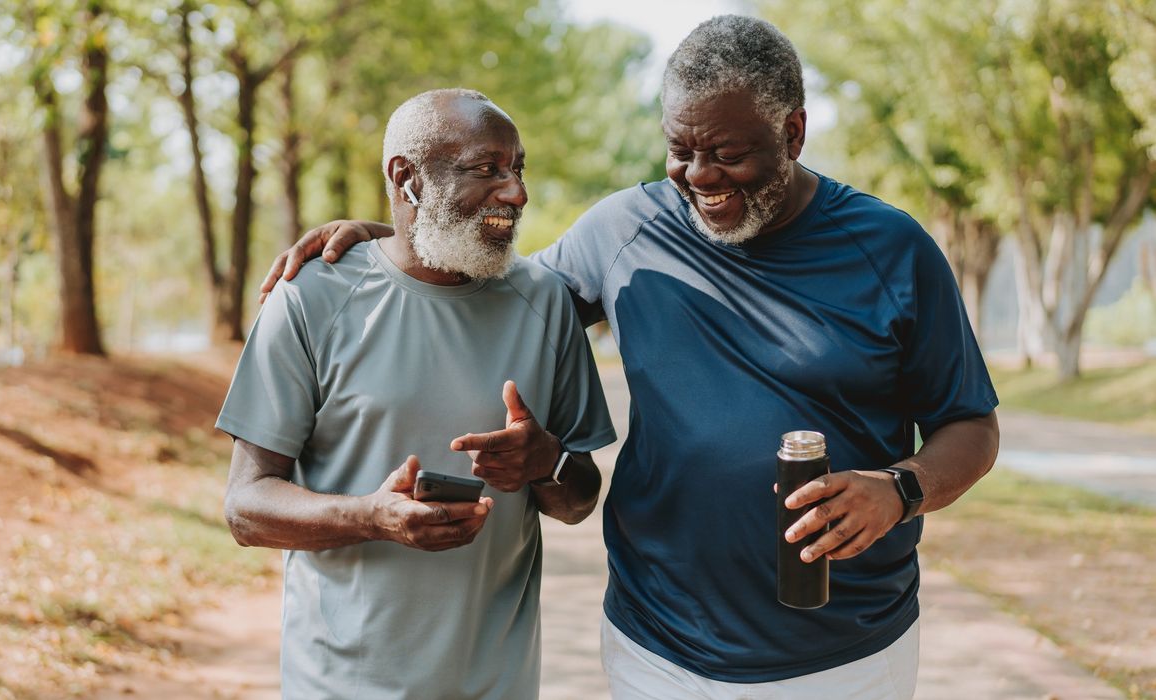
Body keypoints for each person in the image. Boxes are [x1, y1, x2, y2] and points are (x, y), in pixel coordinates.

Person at [260, 16, 999, 699]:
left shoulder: (891, 249)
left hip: (847, 652)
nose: (700, 177)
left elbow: (970, 425)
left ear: (794, 132)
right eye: (680, 151)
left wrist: (898, 489)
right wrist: (393, 234)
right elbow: (493, 286)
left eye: (728, 154)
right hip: (657, 645)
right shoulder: (625, 228)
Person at [218, 88, 616, 700]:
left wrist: (547, 462)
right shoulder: (311, 298)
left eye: (518, 169)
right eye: (487, 169)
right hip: (339, 683)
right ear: (407, 178)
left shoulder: (544, 302)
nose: (516, 192)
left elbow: (577, 501)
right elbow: (246, 508)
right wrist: (371, 517)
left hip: (497, 683)